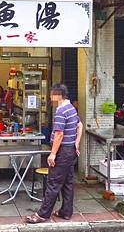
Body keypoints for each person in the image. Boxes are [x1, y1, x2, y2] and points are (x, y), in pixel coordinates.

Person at [25, 84, 83, 224]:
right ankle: (66, 212)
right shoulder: (72, 109)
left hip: (62, 151)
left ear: (58, 95)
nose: (50, 97)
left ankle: (43, 214)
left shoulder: (61, 110)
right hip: (70, 150)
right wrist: (76, 143)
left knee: (53, 183)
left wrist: (52, 154)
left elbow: (59, 134)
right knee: (67, 182)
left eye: (51, 94)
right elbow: (79, 125)